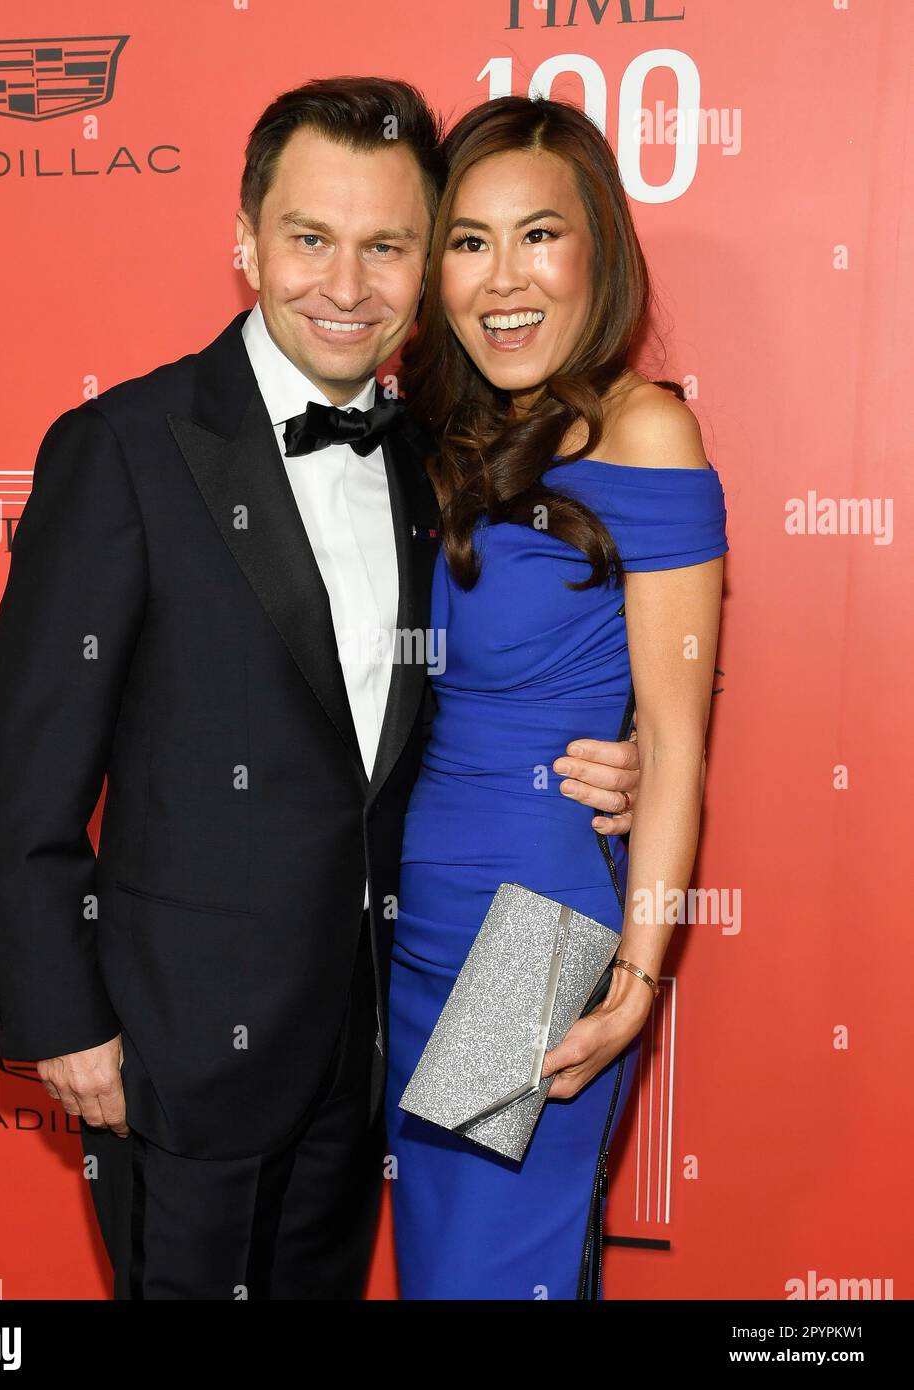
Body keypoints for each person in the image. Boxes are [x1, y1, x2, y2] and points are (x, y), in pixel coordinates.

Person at [0, 77, 642, 1301]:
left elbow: (554, 658)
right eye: (310, 239)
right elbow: (28, 774)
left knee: (487, 1258)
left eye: (387, 245)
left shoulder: (442, 455)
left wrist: (623, 742)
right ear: (244, 240)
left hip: (459, 978)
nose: (347, 285)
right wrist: (62, 1018)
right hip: (188, 1049)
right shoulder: (124, 448)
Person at [384, 94, 728, 1300]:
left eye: (540, 234)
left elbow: (678, 742)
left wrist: (636, 979)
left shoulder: (645, 434)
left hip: (530, 936)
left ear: (601, 250)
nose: (501, 277)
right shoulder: (435, 430)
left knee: (480, 1282)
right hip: (397, 928)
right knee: (442, 1271)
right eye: (469, 242)